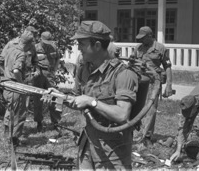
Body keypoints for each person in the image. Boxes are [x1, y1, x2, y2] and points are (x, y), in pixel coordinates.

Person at [62, 20, 139, 170]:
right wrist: (59, 98)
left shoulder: (124, 74)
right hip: (88, 142)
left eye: (82, 44)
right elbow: (79, 100)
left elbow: (122, 114)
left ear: (97, 45)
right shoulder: (84, 69)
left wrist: (92, 101)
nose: (79, 49)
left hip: (113, 151)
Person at [133, 26, 173, 145]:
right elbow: (133, 63)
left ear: (150, 36)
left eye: (143, 38)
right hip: (139, 82)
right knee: (137, 107)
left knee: (150, 109)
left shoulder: (161, 48)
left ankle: (147, 137)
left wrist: (169, 85)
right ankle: (136, 132)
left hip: (153, 83)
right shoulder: (138, 48)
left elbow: (168, 66)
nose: (141, 40)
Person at [1, 27, 36, 145]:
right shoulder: (21, 53)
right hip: (15, 85)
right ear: (28, 44)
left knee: (11, 110)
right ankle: (13, 140)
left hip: (7, 84)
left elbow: (1, 61)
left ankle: (8, 138)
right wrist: (21, 84)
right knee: (18, 113)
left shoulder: (10, 49)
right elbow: (16, 70)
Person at [32, 31, 62, 132]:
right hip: (39, 75)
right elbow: (30, 61)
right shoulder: (35, 48)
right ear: (40, 39)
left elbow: (58, 58)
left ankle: (56, 122)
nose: (47, 44)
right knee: (38, 100)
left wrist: (55, 69)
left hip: (50, 75)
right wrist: (35, 70)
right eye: (45, 42)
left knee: (54, 98)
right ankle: (39, 122)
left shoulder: (54, 47)